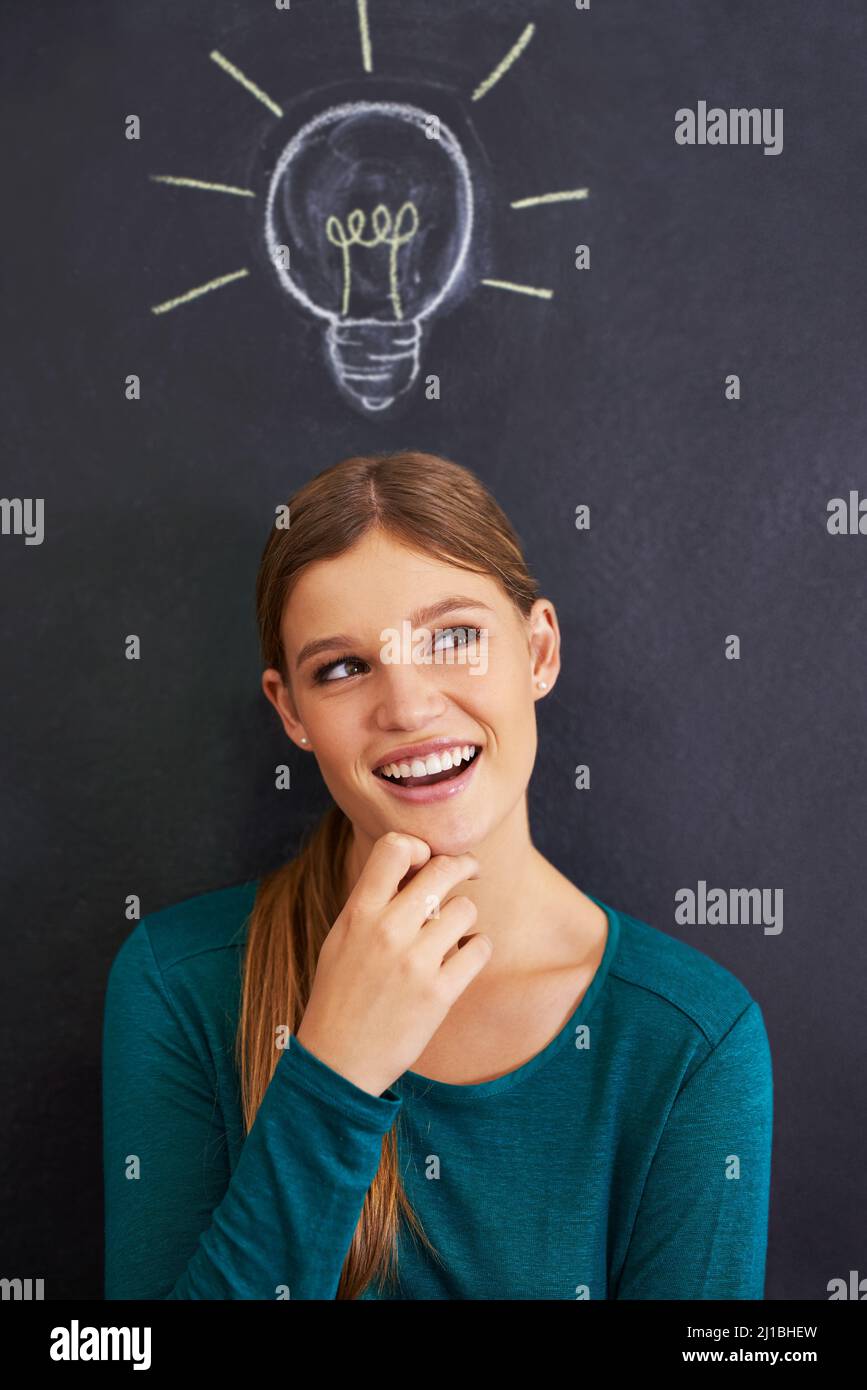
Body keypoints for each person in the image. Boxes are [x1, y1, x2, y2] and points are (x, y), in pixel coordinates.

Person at [102, 449, 773, 1300]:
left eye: (453, 638)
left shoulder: (689, 1038)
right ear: (289, 711)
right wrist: (334, 1072)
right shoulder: (178, 983)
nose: (409, 709)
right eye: (342, 668)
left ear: (538, 651)